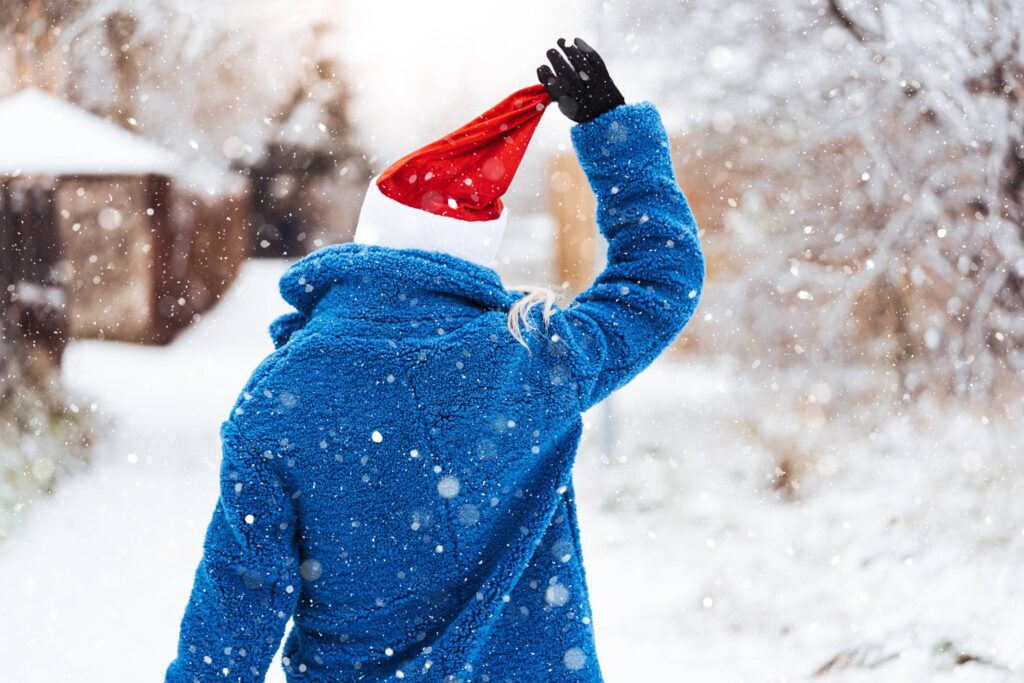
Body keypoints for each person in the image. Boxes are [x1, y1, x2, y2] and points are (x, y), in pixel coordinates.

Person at [166, 38, 704, 683]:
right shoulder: (534, 361)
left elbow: (236, 605)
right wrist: (612, 135)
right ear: (474, 258)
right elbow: (660, 282)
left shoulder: (277, 400)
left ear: (368, 243)